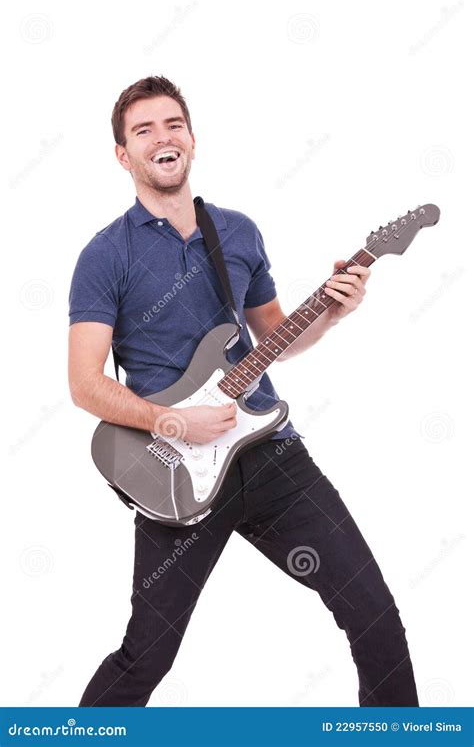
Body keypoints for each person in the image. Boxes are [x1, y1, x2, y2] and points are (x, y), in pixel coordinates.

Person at [68, 75, 418, 707]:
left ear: (192, 140)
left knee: (375, 617)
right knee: (146, 655)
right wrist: (173, 423)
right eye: (142, 130)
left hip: (272, 454)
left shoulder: (238, 233)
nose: (161, 137)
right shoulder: (104, 256)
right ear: (124, 155)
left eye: (173, 124)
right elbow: (84, 384)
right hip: (176, 474)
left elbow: (275, 337)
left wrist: (333, 313)